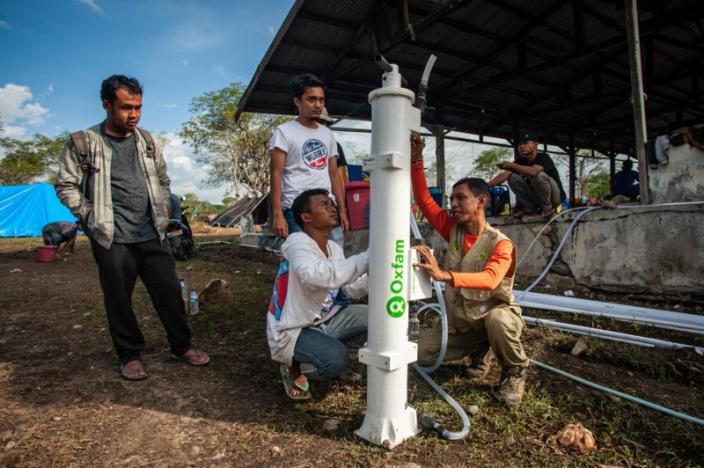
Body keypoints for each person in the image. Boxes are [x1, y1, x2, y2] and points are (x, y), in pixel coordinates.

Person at [55, 75, 209, 381]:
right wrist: (87, 214)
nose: (134, 114)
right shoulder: (84, 143)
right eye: (126, 107)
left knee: (168, 293)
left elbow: (163, 180)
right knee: (118, 299)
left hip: (152, 232)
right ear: (107, 105)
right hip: (112, 238)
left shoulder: (148, 141)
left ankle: (182, 346)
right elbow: (65, 185)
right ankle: (129, 355)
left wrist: (163, 205)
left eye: (138, 107)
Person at [410, 132, 529, 406]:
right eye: (452, 198)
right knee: (420, 353)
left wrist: (444, 275)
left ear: (482, 201)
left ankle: (514, 372)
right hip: (462, 325)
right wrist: (416, 161)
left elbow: (490, 280)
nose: (453, 204)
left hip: (493, 316)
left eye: (460, 198)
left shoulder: (501, 243)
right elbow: (424, 199)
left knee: (498, 321)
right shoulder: (452, 229)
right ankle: (479, 348)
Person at [266, 188, 369, 400]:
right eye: (324, 205)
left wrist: (375, 276)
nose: (333, 208)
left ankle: (323, 352)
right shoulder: (296, 242)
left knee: (376, 318)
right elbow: (314, 276)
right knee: (336, 360)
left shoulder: (333, 247)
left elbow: (348, 288)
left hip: (325, 319)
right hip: (295, 328)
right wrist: (368, 258)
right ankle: (293, 366)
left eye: (332, 204)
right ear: (306, 217)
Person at [269, 74, 349, 247]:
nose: (318, 105)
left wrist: (342, 210)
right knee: (302, 261)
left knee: (335, 259)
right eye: (311, 99)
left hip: (326, 207)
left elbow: (334, 175)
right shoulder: (284, 132)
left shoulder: (327, 134)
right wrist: (277, 214)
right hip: (296, 210)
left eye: (321, 100)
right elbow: (276, 174)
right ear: (297, 101)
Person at [489, 132, 566, 219]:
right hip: (537, 198)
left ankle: (547, 207)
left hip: (555, 199)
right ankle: (529, 208)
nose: (521, 146)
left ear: (535, 144)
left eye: (525, 143)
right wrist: (485, 186)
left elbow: (533, 172)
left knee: (538, 175)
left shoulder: (544, 157)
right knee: (512, 177)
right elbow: (506, 174)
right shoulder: (521, 161)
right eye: (520, 144)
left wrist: (511, 165)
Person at [317, 108, 350, 188]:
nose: (317, 125)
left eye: (322, 122)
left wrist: (342, 200)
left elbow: (341, 178)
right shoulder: (296, 143)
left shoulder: (334, 146)